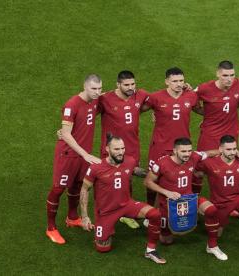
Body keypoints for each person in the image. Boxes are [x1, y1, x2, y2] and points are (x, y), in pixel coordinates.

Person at [79, 134, 166, 264]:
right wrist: (85, 216)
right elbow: (84, 190)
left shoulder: (129, 161)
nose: (121, 153)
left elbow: (137, 171)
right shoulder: (96, 167)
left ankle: (151, 250)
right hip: (106, 211)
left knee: (155, 214)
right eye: (117, 149)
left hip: (127, 204)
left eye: (122, 148)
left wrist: (159, 173)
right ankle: (106, 228)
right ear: (107, 149)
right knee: (103, 248)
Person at [144, 137, 228, 261]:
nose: (187, 154)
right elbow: (147, 182)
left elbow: (209, 153)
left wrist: (233, 152)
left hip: (189, 198)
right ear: (174, 151)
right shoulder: (162, 163)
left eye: (189, 150)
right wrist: (166, 192)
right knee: (166, 240)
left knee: (211, 210)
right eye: (183, 151)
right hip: (169, 203)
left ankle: (212, 246)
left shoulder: (193, 156)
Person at [45, 74, 102, 244]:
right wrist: (85, 154)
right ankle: (51, 228)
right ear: (84, 87)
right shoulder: (72, 104)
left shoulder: (96, 100)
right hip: (68, 155)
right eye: (93, 88)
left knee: (78, 184)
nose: (97, 92)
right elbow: (66, 134)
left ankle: (72, 217)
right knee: (58, 189)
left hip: (84, 155)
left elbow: (118, 92)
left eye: (99, 88)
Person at [196, 135, 239, 256]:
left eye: (235, 149)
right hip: (220, 202)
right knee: (217, 233)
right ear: (220, 149)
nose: (233, 152)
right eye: (228, 149)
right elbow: (193, 165)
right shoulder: (209, 163)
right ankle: (211, 244)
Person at [141, 67, 200, 205]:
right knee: (153, 177)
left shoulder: (191, 95)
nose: (179, 84)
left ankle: (187, 206)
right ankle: (150, 208)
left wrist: (209, 120)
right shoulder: (156, 97)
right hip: (160, 146)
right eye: (174, 81)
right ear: (167, 81)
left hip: (183, 146)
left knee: (181, 177)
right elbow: (137, 109)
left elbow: (200, 109)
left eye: (181, 80)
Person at [98, 70, 148, 229]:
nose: (130, 87)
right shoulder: (105, 99)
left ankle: (125, 213)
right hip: (111, 150)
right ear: (118, 84)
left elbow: (158, 101)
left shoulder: (139, 95)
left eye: (133, 84)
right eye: (126, 85)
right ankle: (106, 213)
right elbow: (86, 112)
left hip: (132, 148)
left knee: (127, 180)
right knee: (109, 182)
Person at [191, 60, 239, 195]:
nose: (229, 79)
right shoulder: (204, 88)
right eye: (225, 76)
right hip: (210, 134)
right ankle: (194, 199)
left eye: (232, 75)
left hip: (231, 133)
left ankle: (226, 198)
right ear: (218, 74)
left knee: (227, 167)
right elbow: (189, 101)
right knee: (199, 169)